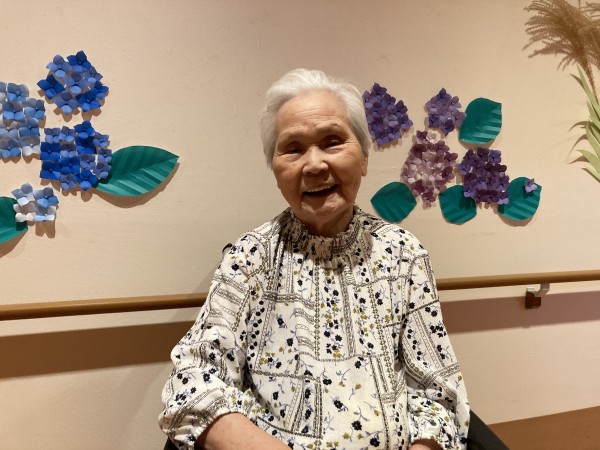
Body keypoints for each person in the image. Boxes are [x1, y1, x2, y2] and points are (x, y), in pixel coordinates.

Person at [159, 69, 470, 450]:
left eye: (332, 142)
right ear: (276, 170)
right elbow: (192, 383)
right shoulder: (249, 257)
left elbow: (437, 393)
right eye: (293, 148)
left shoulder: (404, 255)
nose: (315, 164)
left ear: (364, 158)